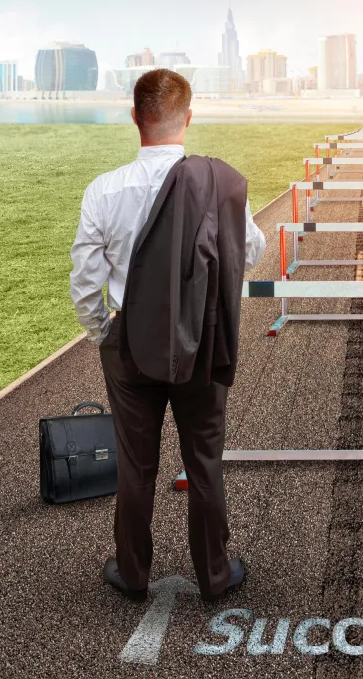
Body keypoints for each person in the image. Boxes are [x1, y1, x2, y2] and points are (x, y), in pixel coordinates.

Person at [69, 69, 265, 602]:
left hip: (130, 346)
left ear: (135, 117)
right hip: (200, 344)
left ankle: (133, 573)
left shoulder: (104, 191)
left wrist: (104, 332)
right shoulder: (218, 186)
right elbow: (250, 251)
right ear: (189, 117)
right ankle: (215, 574)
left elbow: (86, 279)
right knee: (204, 460)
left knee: (136, 465)